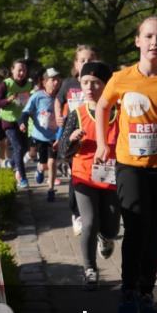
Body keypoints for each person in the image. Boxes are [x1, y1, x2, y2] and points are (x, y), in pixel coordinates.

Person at [95, 16, 157, 313]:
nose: (155, 43)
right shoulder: (121, 77)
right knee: (137, 227)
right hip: (130, 165)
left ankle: (147, 291)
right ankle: (128, 290)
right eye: (149, 36)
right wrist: (103, 143)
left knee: (155, 232)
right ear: (137, 40)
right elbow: (102, 106)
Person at [58, 61, 120, 290]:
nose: (89, 87)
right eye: (85, 82)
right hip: (83, 177)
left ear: (106, 85)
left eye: (95, 83)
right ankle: (90, 269)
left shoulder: (120, 113)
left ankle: (107, 237)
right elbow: (63, 150)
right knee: (90, 222)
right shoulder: (77, 113)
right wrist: (72, 139)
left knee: (112, 227)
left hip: (111, 177)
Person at [56, 45, 98, 236]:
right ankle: (77, 214)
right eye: (82, 60)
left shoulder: (100, 82)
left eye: (90, 60)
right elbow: (58, 100)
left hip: (94, 134)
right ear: (75, 64)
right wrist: (58, 115)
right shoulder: (68, 83)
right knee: (76, 177)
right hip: (73, 134)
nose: (86, 64)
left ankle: (97, 218)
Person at [20, 67, 62, 202]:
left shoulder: (60, 96)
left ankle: (50, 190)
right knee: (44, 164)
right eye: (52, 80)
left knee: (52, 162)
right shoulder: (37, 96)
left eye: (57, 79)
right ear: (44, 82)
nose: (55, 82)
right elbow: (26, 112)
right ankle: (39, 169)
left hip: (54, 136)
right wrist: (23, 123)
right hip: (39, 136)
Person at [0, 60, 33, 189]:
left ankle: (10, 163)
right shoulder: (6, 84)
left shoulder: (28, 84)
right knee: (18, 148)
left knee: (24, 148)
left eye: (24, 70)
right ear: (12, 70)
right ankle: (23, 178)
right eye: (19, 70)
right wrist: (7, 100)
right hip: (8, 120)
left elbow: (31, 99)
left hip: (22, 120)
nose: (22, 73)